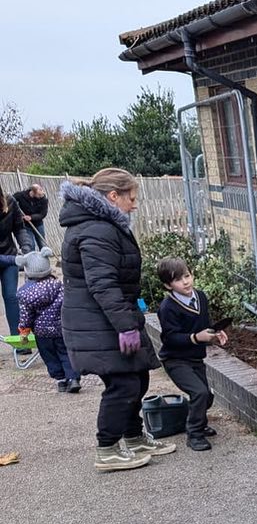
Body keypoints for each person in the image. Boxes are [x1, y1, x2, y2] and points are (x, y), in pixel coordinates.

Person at [60, 168, 175, 472]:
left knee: (137, 378)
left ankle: (134, 438)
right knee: (123, 385)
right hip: (99, 321)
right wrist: (125, 325)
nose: (135, 204)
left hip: (108, 316)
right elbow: (102, 285)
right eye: (131, 198)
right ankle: (107, 449)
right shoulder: (97, 229)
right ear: (113, 196)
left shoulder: (102, 224)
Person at [155, 257, 225, 451]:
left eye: (187, 276)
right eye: (178, 280)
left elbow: (204, 325)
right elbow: (170, 338)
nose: (185, 282)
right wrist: (196, 337)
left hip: (195, 358)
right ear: (168, 286)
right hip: (175, 360)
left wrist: (215, 333)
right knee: (199, 393)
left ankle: (200, 423)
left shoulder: (200, 297)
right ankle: (194, 434)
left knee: (207, 396)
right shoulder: (167, 308)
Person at [16, 250, 80, 392]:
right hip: (61, 328)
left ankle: (61, 380)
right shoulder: (59, 286)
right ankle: (73, 378)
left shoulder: (25, 294)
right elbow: (68, 305)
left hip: (42, 333)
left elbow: (26, 316)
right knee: (66, 353)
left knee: (50, 357)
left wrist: (24, 331)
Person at [0, 191, 26, 336]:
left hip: (9, 254)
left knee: (11, 297)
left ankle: (19, 340)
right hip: (10, 259)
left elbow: (19, 228)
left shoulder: (10, 201)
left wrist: (27, 247)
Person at [14, 184, 49, 253]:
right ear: (33, 192)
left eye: (41, 194)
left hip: (38, 224)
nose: (40, 196)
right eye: (39, 195)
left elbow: (43, 214)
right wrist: (19, 215)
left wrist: (31, 217)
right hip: (26, 226)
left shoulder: (43, 199)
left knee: (42, 244)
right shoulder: (21, 196)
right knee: (31, 245)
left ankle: (45, 261)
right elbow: (11, 201)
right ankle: (33, 262)